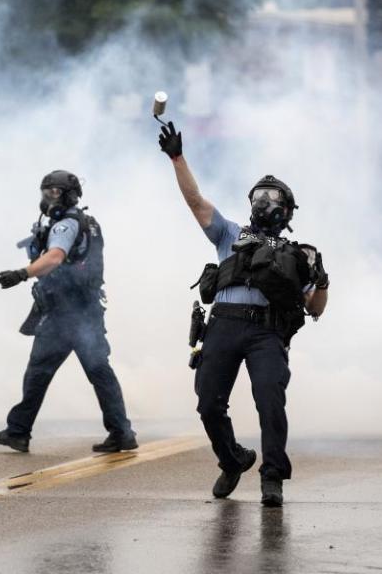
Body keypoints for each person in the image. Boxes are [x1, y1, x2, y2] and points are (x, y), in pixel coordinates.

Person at [158, 122, 329, 507]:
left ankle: (272, 478)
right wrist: (177, 158)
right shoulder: (229, 234)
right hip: (223, 325)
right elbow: (196, 202)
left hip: (266, 333)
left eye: (272, 197)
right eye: (259, 195)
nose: (263, 201)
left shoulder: (297, 255)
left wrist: (322, 279)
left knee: (270, 401)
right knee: (208, 403)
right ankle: (233, 459)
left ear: (286, 210)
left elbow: (314, 308)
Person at [0, 170, 137, 454]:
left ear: (68, 195)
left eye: (54, 192)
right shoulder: (87, 223)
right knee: (96, 371)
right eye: (46, 191)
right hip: (84, 311)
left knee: (40, 371)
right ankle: (121, 432)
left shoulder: (65, 226)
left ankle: (19, 432)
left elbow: (54, 257)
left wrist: (22, 273)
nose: (47, 198)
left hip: (64, 313)